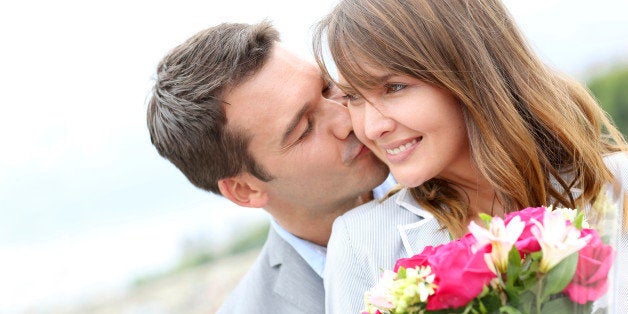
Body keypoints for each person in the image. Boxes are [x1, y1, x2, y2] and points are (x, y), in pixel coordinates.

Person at [311, 0, 628, 312]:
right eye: (353, 97)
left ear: (470, 73)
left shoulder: (618, 185)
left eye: (394, 87)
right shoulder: (361, 244)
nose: (372, 127)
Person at [146, 21, 391, 313]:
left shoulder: (446, 168)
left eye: (327, 88)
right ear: (244, 190)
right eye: (304, 129)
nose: (346, 119)